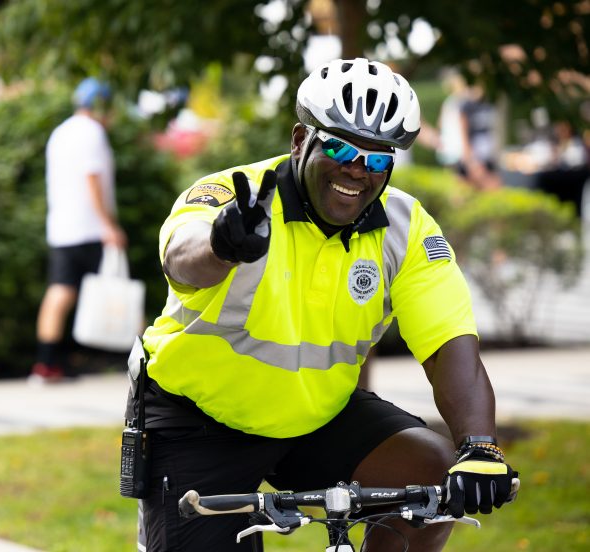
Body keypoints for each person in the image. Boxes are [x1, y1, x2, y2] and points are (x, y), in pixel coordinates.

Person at [132, 58, 518, 551]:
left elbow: (448, 345)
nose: (357, 170)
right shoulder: (239, 196)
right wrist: (223, 245)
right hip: (199, 420)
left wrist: (480, 446)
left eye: (378, 159)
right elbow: (180, 259)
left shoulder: (407, 228)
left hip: (317, 417)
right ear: (299, 140)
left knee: (435, 474)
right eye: (339, 148)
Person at [30, 77, 127, 383]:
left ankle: (45, 364)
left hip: (62, 226)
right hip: (91, 228)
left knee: (59, 292)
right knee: (120, 290)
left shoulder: (60, 132)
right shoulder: (92, 133)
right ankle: (146, 363)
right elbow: (92, 179)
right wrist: (108, 225)